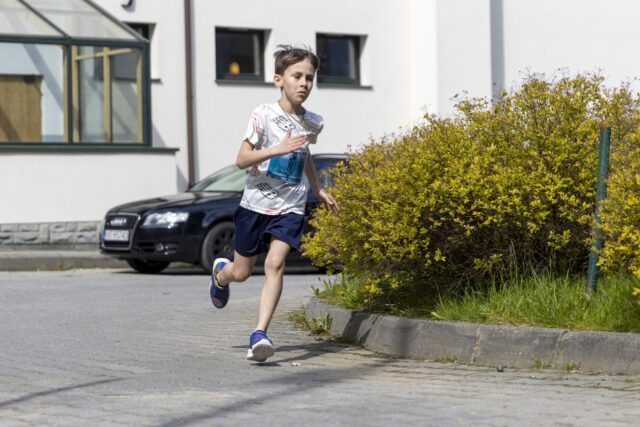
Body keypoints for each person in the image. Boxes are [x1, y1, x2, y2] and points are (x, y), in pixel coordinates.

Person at [209, 45, 340, 363]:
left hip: (290, 205)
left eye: (310, 78)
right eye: (297, 76)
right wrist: (276, 149)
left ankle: (259, 334)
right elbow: (241, 160)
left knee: (275, 264)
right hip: (255, 204)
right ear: (279, 79)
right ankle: (220, 274)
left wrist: (318, 187)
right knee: (242, 273)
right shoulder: (263, 115)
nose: (304, 84)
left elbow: (304, 151)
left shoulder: (314, 122)